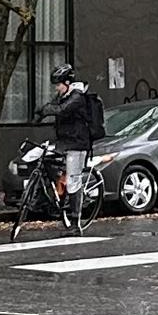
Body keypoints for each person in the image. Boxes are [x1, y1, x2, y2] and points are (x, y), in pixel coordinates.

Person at [45, 67, 107, 226]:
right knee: (48, 162)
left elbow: (62, 110)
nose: (56, 88)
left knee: (74, 179)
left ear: (67, 83)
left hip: (78, 144)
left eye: (58, 84)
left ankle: (75, 222)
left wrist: (45, 110)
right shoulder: (63, 95)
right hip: (65, 142)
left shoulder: (77, 97)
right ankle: (58, 198)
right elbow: (54, 107)